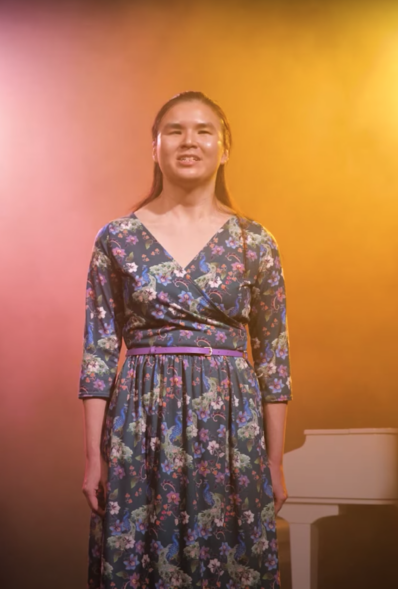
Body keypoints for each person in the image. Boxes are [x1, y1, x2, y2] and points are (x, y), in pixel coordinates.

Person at [79, 91, 291, 589]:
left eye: (203, 130)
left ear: (225, 146)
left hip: (230, 424)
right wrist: (94, 456)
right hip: (140, 423)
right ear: (154, 147)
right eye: (174, 130)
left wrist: (275, 461)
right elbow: (99, 352)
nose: (189, 141)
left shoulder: (253, 241)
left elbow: (274, 359)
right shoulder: (118, 239)